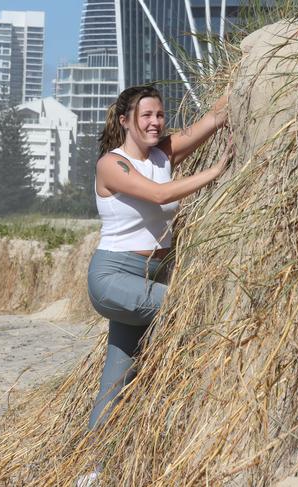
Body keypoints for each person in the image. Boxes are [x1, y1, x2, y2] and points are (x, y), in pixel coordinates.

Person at [86, 85, 232, 433]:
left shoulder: (162, 155)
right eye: (146, 116)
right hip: (113, 278)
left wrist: (244, 72)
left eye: (160, 115)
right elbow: (159, 194)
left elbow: (214, 118)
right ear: (125, 121)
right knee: (184, 308)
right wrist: (215, 170)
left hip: (152, 275)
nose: (155, 123)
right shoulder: (112, 164)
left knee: (116, 379)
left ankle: (91, 470)